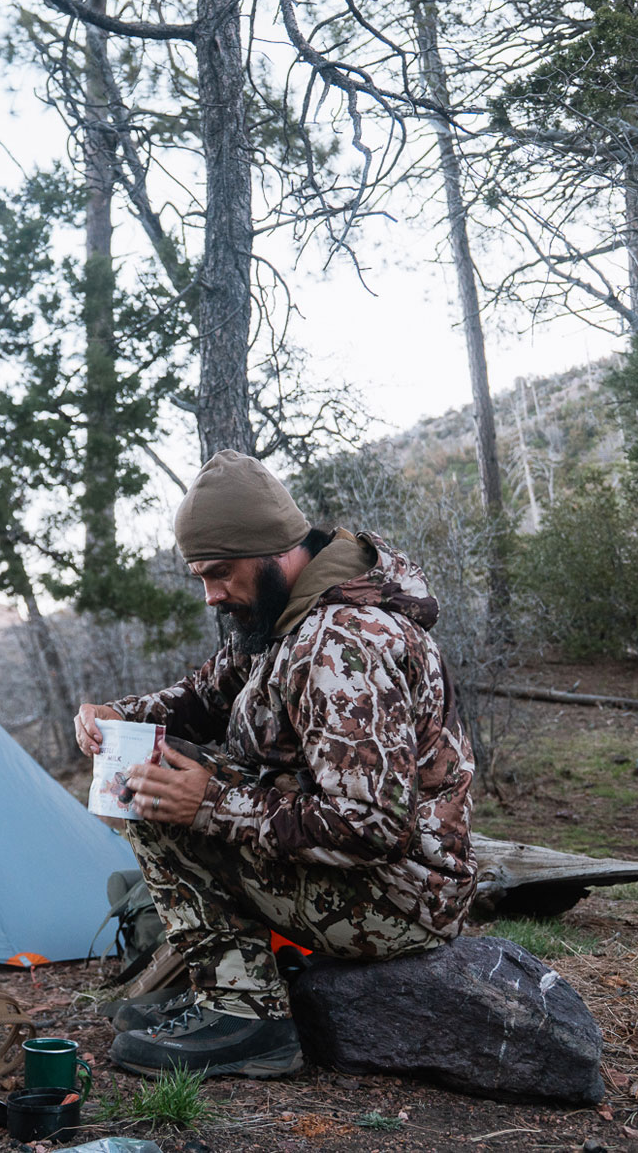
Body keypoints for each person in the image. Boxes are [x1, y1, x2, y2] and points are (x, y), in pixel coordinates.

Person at [77, 449, 476, 1078]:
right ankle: (223, 991)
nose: (211, 595)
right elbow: (205, 698)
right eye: (200, 576)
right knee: (159, 763)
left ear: (272, 550)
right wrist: (115, 716)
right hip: (375, 881)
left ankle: (245, 1017)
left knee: (162, 789)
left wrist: (208, 803)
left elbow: (373, 825)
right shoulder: (284, 618)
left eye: (219, 572)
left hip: (400, 900)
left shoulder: (341, 642)